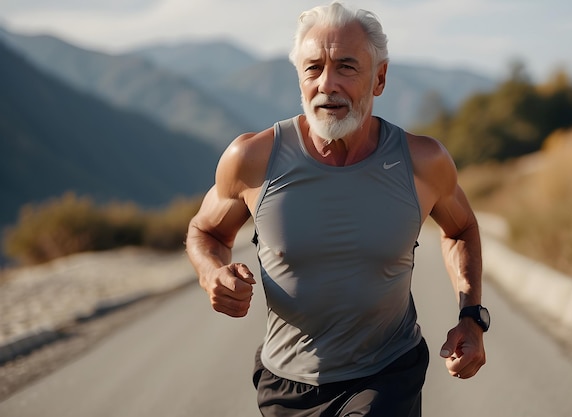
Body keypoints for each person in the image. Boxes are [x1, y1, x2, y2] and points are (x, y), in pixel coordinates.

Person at [186, 2, 488, 416]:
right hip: (286, 384)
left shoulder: (422, 162)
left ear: (379, 78)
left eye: (347, 67)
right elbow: (206, 232)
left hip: (387, 374)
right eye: (313, 68)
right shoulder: (252, 158)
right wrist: (211, 274)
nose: (327, 83)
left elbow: (461, 229)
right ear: (299, 79)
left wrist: (471, 315)